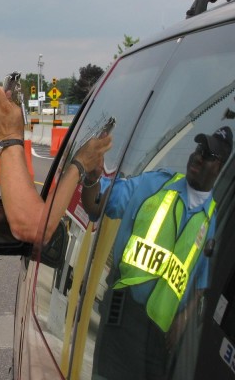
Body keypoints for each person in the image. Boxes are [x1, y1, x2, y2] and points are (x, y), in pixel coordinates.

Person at [81, 126, 233, 380]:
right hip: (122, 317)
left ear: (220, 168)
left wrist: (183, 319)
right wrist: (92, 177)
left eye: (208, 155)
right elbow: (95, 204)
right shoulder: (154, 185)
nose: (198, 156)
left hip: (160, 341)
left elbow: (201, 283)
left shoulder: (213, 220)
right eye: (198, 148)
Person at [0, 86, 112, 245]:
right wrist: (92, 177)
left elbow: (34, 228)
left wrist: (8, 137)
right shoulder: (134, 186)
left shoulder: (139, 185)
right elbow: (96, 209)